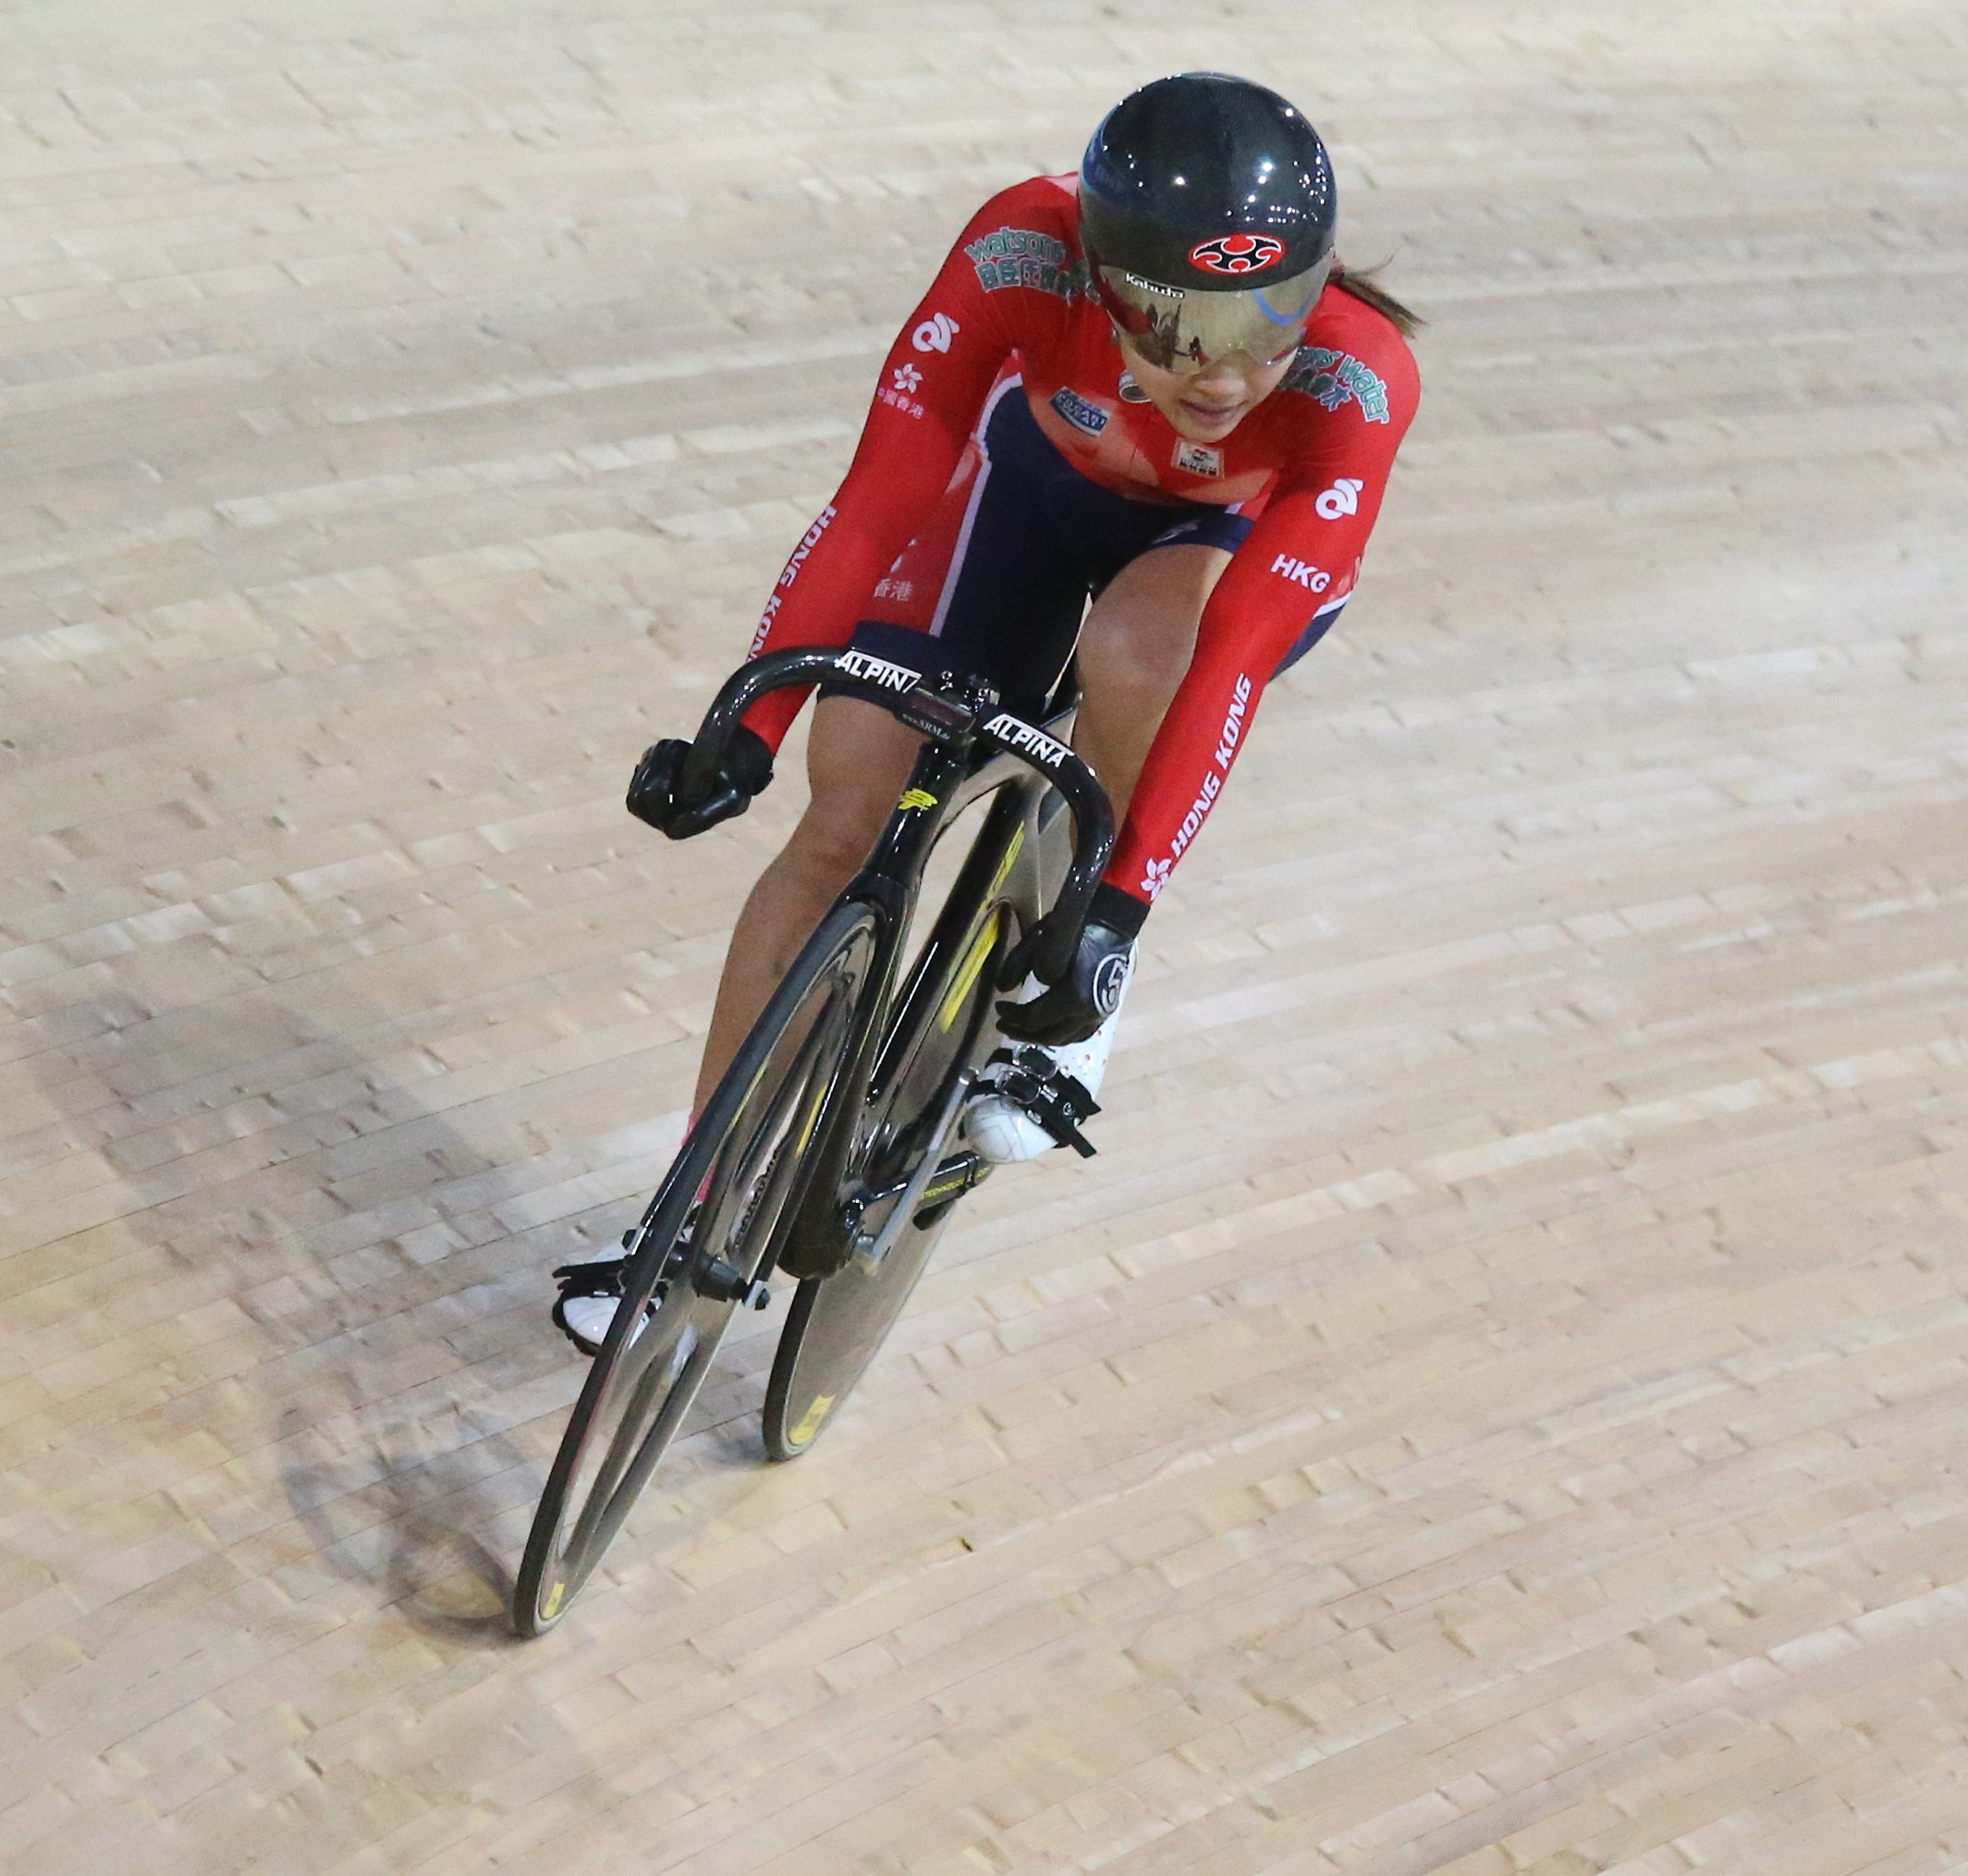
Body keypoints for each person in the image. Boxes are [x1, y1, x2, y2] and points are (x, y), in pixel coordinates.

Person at [552, 72, 1422, 1352]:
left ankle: (1073, 991)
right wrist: (751, 724)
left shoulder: (1357, 382)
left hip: (1212, 558)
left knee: (1144, 653)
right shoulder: (1021, 247)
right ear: (1100, 277)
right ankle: (686, 1216)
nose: (1227, 376)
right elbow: (879, 496)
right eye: (1181, 329)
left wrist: (1119, 917)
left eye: (1270, 319)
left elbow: (1232, 661)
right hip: (1029, 490)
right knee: (844, 818)